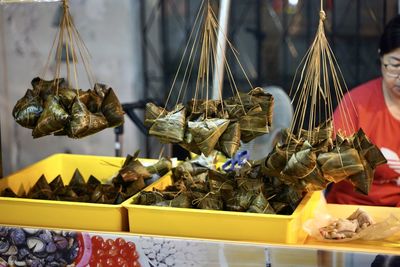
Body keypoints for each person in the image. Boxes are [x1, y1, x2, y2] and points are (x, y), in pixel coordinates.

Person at [326, 15, 400, 206]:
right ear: (380, 57)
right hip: (350, 209)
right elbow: (327, 162)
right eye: (395, 65)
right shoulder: (357, 103)